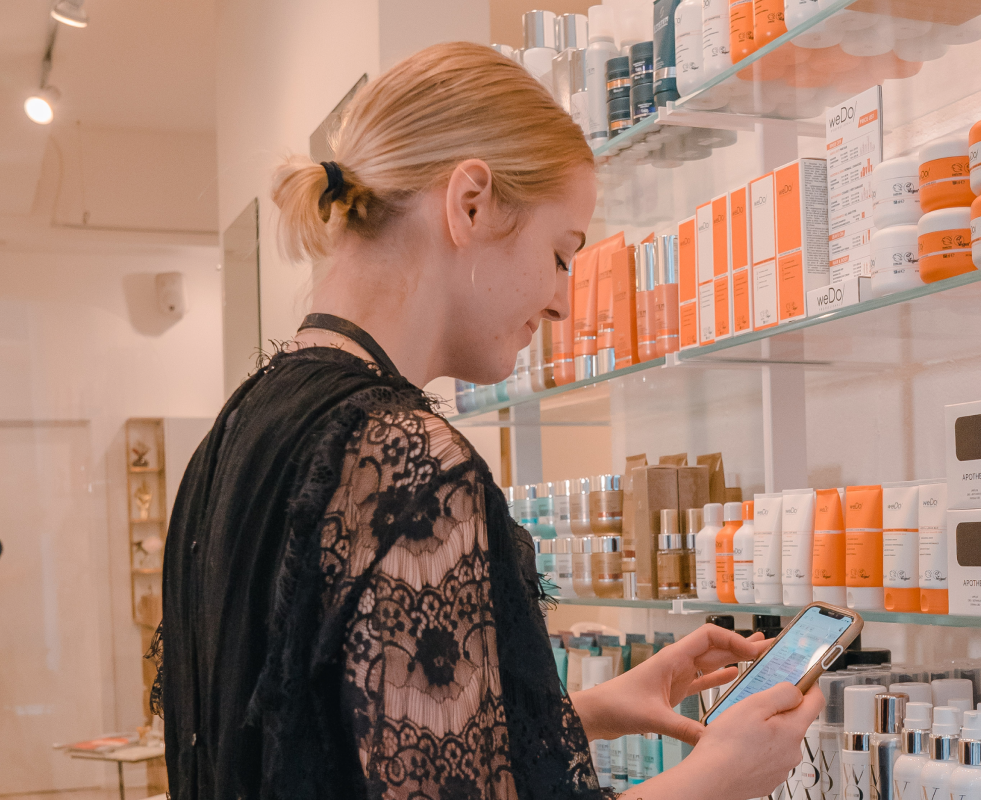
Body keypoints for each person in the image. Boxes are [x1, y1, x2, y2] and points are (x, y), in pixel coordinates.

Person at [152, 41, 822, 800]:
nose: (563, 299)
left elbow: (332, 739)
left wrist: (582, 709)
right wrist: (720, 778)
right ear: (469, 203)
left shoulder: (241, 429)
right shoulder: (407, 461)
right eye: (562, 254)